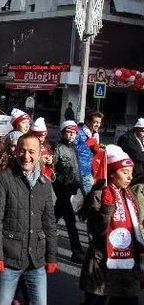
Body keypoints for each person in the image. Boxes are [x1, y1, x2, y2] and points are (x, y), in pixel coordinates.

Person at [0, 134, 58, 305]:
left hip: (36, 261)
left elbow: (49, 223)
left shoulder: (45, 183)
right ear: (16, 151)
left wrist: (52, 256)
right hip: (9, 259)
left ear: (40, 153)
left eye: (31, 152)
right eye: (22, 151)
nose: (26, 156)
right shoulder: (2, 178)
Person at [80, 144, 143, 305]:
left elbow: (136, 225)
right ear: (112, 174)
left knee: (128, 300)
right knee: (96, 301)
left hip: (127, 261)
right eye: (125, 172)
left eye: (131, 173)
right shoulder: (99, 195)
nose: (130, 177)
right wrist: (107, 207)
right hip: (103, 259)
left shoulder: (129, 195)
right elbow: (98, 229)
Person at [53, 120, 85, 263]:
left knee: (54, 216)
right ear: (62, 133)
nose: (72, 135)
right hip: (61, 187)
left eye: (74, 132)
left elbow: (77, 168)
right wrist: (61, 180)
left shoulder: (75, 148)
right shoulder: (58, 148)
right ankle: (76, 252)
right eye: (69, 132)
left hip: (72, 186)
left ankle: (38, 238)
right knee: (70, 220)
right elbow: (52, 169)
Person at [76, 112, 104, 195]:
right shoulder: (79, 132)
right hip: (82, 169)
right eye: (95, 122)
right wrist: (87, 143)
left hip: (90, 169)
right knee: (90, 197)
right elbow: (73, 150)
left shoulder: (94, 134)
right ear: (88, 122)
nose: (97, 125)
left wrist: (98, 148)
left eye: (99, 122)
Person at [117, 118, 144, 183]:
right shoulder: (127, 138)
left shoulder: (140, 138)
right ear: (137, 129)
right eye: (143, 130)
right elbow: (137, 154)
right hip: (132, 173)